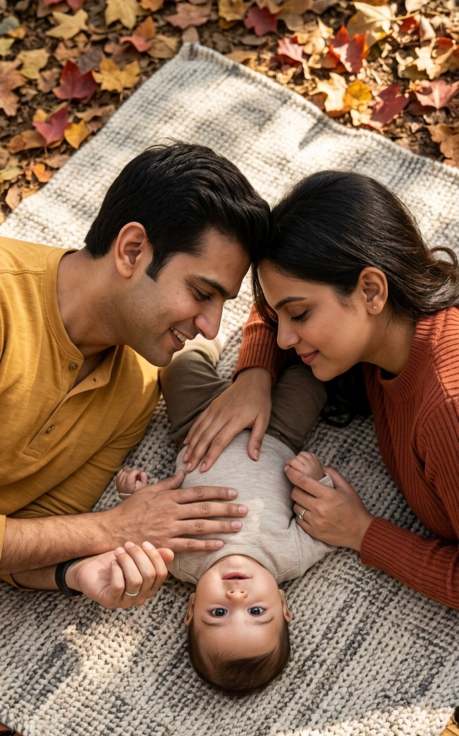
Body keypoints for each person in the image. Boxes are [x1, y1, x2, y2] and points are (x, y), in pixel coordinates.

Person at [0, 142, 270, 608]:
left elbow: (39, 528)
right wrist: (113, 527)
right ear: (132, 250)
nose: (210, 326)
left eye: (222, 304)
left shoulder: (138, 387)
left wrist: (78, 570)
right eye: (202, 292)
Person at [182, 171, 459, 611]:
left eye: (300, 315)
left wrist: (363, 532)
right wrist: (255, 374)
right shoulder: (399, 325)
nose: (284, 339)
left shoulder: (447, 410)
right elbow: (267, 310)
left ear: (371, 290)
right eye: (283, 315)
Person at [115, 338, 334, 694]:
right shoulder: (290, 557)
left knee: (175, 367)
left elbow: (140, 529)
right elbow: (326, 526)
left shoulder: (177, 562)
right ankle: (283, 349)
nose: (236, 598)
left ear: (190, 609)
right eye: (257, 612)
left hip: (198, 427)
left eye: (217, 614)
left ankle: (204, 346)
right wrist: (316, 478)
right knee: (316, 379)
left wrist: (132, 495)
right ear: (282, 604)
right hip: (276, 433)